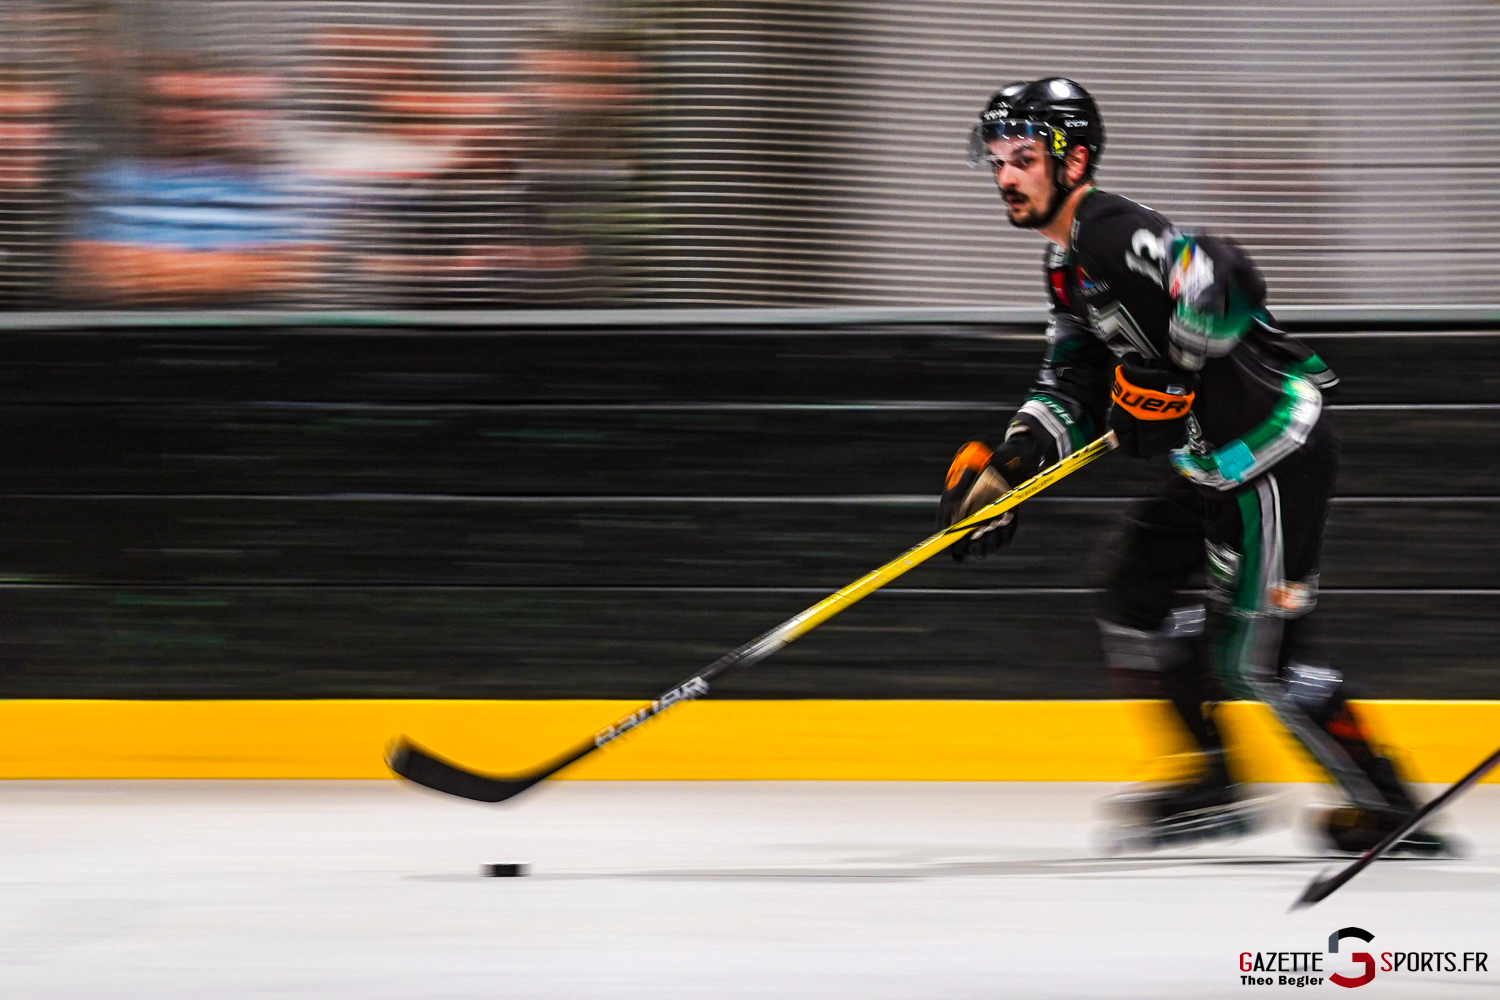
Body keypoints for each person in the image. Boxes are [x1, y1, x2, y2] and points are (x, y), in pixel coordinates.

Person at [937, 77, 1446, 854]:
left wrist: (1172, 371)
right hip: (1210, 465)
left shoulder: (1111, 231)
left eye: (1025, 157)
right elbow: (1069, 382)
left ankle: (1387, 804)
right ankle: (1213, 784)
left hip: (1273, 458)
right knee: (1134, 594)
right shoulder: (1065, 267)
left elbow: (1223, 272)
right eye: (999, 160)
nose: (1006, 176)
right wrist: (1007, 469)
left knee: (1258, 661)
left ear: (1074, 162)